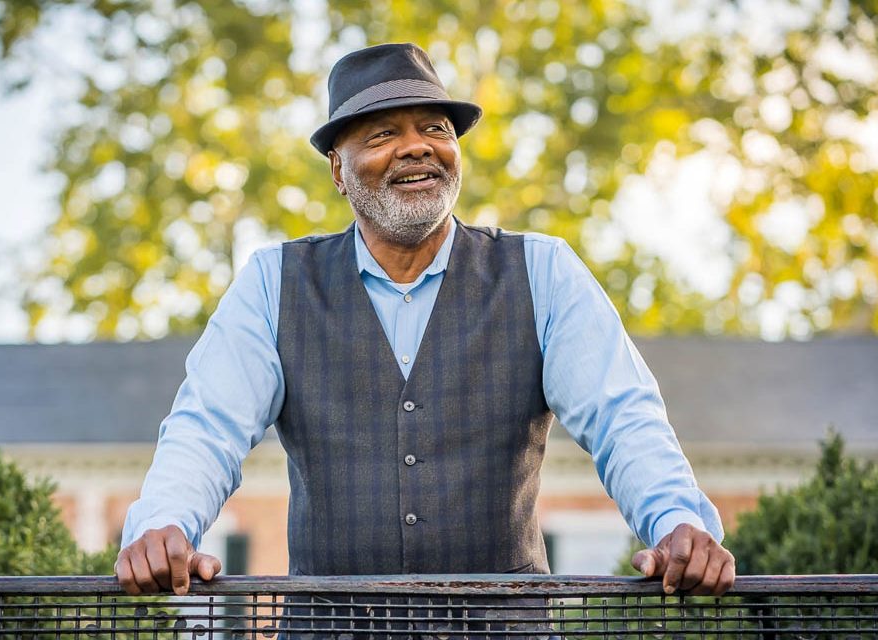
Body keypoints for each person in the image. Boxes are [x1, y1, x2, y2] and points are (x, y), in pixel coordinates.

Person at [116, 43, 735, 601]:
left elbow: (623, 416)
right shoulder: (273, 283)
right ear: (338, 168)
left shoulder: (542, 271)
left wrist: (679, 522)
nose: (417, 146)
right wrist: (161, 524)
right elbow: (207, 427)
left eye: (435, 129)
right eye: (383, 133)